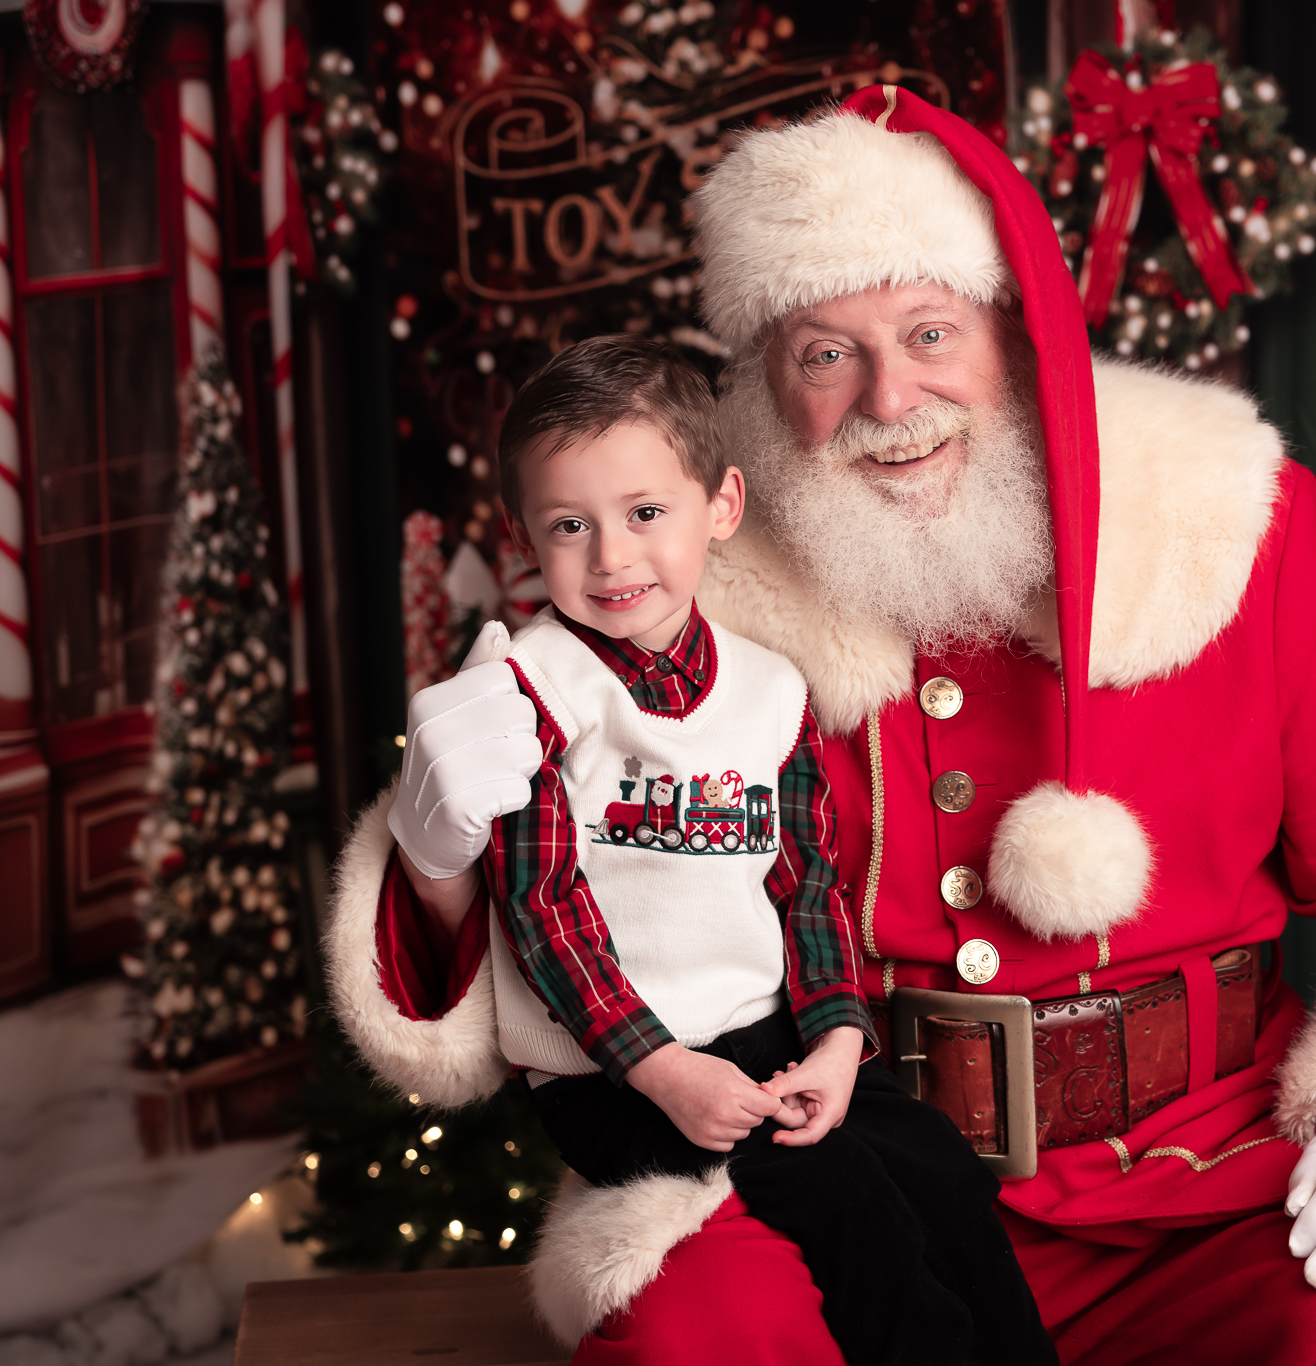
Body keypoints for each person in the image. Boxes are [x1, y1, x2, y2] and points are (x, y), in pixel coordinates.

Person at [327, 89, 1316, 1365]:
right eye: (826, 352)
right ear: (765, 377)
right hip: (825, 1171)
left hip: (1202, 1187)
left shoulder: (1229, 526)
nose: (888, 398)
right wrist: (434, 856)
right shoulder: (687, 581)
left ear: (1017, 333)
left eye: (930, 332)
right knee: (689, 1333)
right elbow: (535, 916)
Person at [391, 333, 1054, 1366]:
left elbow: (807, 887)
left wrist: (836, 1041)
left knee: (935, 1167)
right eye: (570, 526)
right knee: (850, 1206)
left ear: (721, 507)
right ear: (524, 537)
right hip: (607, 1072)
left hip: (761, 1035)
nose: (611, 557)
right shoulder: (536, 695)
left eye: (645, 514)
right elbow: (544, 915)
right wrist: (660, 1072)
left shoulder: (768, 690)